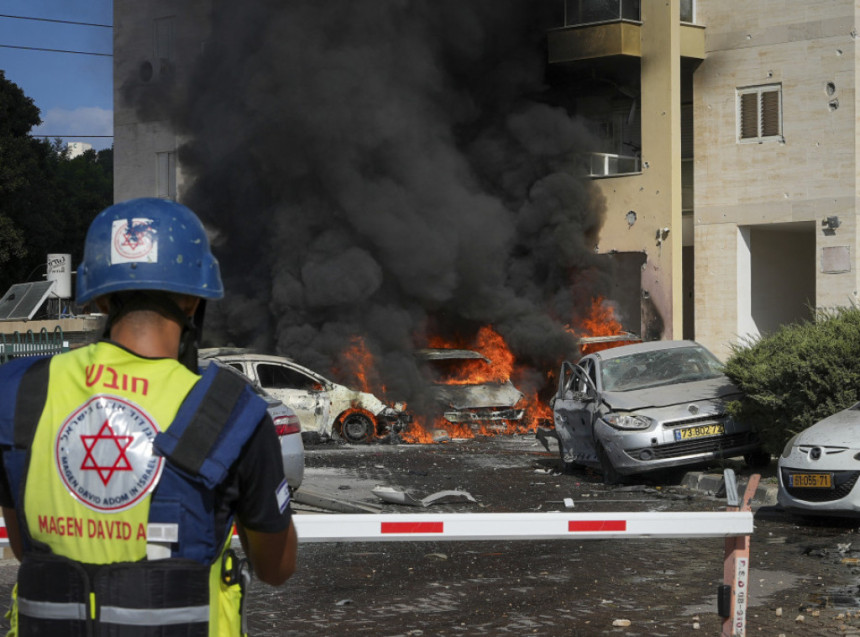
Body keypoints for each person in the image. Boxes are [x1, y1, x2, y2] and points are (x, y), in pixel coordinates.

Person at [0, 197, 297, 636]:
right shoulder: (230, 412)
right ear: (193, 301)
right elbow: (276, 568)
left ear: (101, 299)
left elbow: (27, 547)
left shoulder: (19, 392)